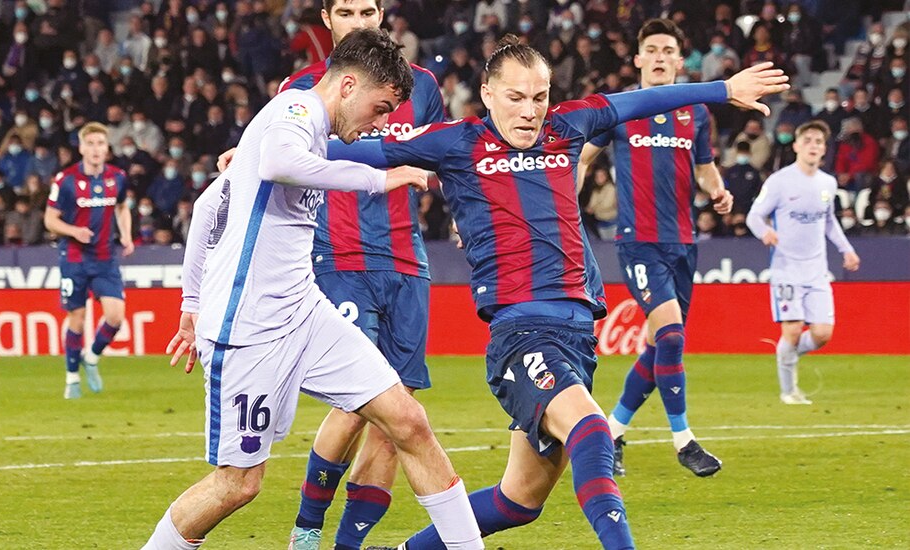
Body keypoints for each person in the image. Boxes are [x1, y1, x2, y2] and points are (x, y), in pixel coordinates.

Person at [331, 36, 787, 549]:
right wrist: (275, 140)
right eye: (515, 97)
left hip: (577, 337)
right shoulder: (455, 142)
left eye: (540, 97)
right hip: (521, 334)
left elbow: (641, 101)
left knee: (518, 501)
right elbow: (349, 147)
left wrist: (723, 89)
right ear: (487, 94)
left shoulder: (567, 126)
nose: (530, 111)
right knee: (592, 429)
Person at [145, 29, 484, 550]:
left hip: (304, 310)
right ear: (347, 86)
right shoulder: (296, 110)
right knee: (238, 485)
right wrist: (379, 179)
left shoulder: (309, 130)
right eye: (380, 108)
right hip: (249, 329)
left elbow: (211, 206)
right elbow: (279, 164)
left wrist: (190, 304)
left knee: (407, 419)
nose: (381, 123)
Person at [275, 2, 446, 548]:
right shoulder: (301, 90)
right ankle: (307, 531)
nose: (360, 20)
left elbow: (443, 158)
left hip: (407, 263)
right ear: (327, 19)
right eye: (346, 10)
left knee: (397, 419)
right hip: (340, 258)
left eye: (368, 9)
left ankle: (348, 544)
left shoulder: (422, 85)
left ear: (382, 12)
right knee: (356, 402)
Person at [577, 19, 729, 478]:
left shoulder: (695, 112)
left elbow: (704, 167)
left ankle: (612, 431)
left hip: (684, 242)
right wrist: (562, 201)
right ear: (639, 59)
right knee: (672, 336)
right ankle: (683, 440)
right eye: (652, 49)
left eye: (668, 50)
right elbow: (583, 158)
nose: (660, 57)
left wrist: (718, 191)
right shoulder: (620, 109)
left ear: (680, 61)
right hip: (638, 242)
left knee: (661, 346)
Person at [745, 120, 861, 405]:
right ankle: (789, 391)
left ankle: (786, 354)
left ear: (824, 149)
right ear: (796, 145)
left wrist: (847, 249)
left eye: (818, 141)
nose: (813, 145)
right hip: (786, 269)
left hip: (817, 270)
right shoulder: (779, 181)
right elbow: (754, 216)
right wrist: (765, 232)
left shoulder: (827, 183)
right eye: (807, 140)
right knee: (793, 329)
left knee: (822, 335)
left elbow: (829, 221)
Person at [43, 122, 134, 399]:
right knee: (77, 318)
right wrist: (74, 231)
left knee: (116, 316)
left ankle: (91, 357)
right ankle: (71, 379)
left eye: (100, 144)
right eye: (90, 143)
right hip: (75, 258)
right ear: (81, 148)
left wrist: (126, 235)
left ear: (107, 148)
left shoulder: (117, 177)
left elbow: (122, 207)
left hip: (105, 257)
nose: (96, 149)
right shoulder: (66, 180)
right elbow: (50, 220)